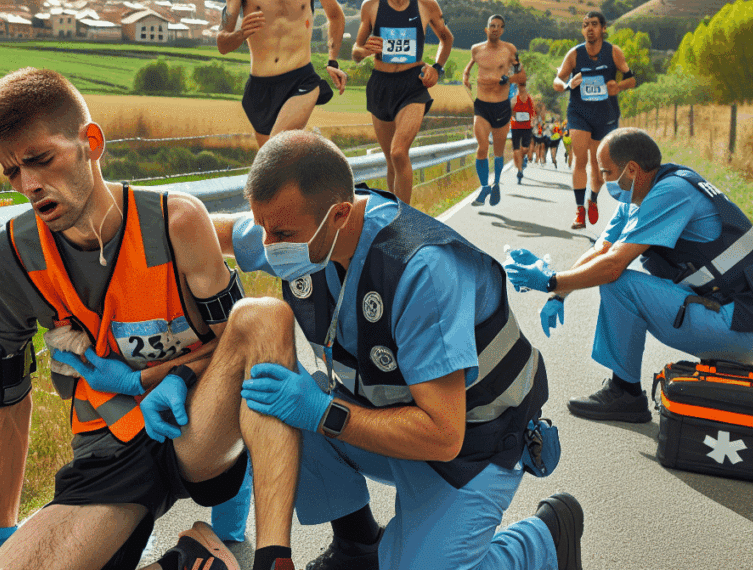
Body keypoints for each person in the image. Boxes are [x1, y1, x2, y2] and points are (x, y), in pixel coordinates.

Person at [0, 68, 306, 570]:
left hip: (195, 430)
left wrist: (171, 377)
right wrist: (5, 527)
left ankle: (272, 559)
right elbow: (7, 396)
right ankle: (190, 561)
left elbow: (241, 346)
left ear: (90, 142)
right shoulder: (5, 257)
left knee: (264, 316)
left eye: (40, 160)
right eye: (12, 172)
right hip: (107, 450)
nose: (28, 184)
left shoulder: (177, 222)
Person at [212, 130, 585, 570]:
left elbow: (444, 436)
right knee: (276, 400)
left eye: (280, 234)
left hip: (472, 446)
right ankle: (357, 544)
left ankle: (541, 539)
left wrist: (322, 411)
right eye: (263, 229)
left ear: (339, 215)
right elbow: (198, 229)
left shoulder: (420, 271)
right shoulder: (299, 225)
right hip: (386, 419)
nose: (268, 247)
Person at [504, 128, 753, 423]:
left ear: (631, 169)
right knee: (617, 279)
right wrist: (559, 291)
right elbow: (602, 250)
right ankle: (624, 390)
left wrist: (551, 279)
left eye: (606, 172)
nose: (603, 182)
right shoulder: (642, 195)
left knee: (620, 284)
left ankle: (625, 393)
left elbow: (612, 267)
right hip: (736, 317)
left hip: (742, 328)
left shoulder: (671, 193)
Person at [352, 0, 454, 205]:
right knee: (391, 161)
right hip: (381, 86)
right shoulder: (371, 6)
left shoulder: (427, 5)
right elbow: (355, 51)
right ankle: (395, 214)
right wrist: (364, 51)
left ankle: (404, 221)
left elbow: (446, 38)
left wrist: (437, 68)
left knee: (398, 152)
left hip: (412, 85)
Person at [217, 0, 348, 148]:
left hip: (301, 80)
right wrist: (241, 34)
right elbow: (222, 45)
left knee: (275, 149)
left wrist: (332, 62)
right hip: (260, 88)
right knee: (270, 164)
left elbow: (336, 16)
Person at [554, 11, 636, 230]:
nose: (589, 28)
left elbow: (632, 79)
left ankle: (593, 199)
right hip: (579, 113)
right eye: (585, 25)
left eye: (593, 24)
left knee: (597, 165)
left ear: (603, 28)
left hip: (606, 115)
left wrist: (618, 86)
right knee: (580, 159)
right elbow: (557, 80)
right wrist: (568, 84)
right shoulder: (574, 54)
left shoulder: (613, 52)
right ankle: (579, 210)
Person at [464, 14, 525, 207]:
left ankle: (496, 183)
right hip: (481, 105)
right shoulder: (476, 49)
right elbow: (469, 66)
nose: (495, 29)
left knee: (498, 152)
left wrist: (510, 80)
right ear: (486, 29)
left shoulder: (510, 50)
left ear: (503, 30)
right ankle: (484, 188)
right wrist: (466, 76)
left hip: (501, 106)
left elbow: (521, 73)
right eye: (492, 25)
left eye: (499, 26)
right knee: (482, 146)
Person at [510, 81, 535, 185]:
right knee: (516, 150)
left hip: (526, 126)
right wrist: (513, 115)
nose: (521, 89)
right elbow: (510, 111)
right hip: (515, 126)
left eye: (523, 87)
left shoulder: (529, 99)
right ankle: (520, 171)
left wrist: (532, 120)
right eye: (519, 87)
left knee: (525, 149)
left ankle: (522, 159)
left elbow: (532, 111)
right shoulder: (513, 99)